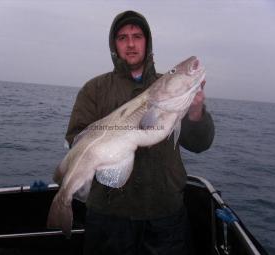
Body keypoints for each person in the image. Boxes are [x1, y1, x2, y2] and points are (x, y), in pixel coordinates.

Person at [65, 10, 215, 255]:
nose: (131, 43)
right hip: (109, 214)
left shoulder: (169, 90)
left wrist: (196, 112)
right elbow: (76, 139)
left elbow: (200, 144)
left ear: (148, 41)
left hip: (164, 214)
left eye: (137, 36)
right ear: (114, 45)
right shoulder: (94, 89)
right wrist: (107, 151)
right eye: (123, 37)